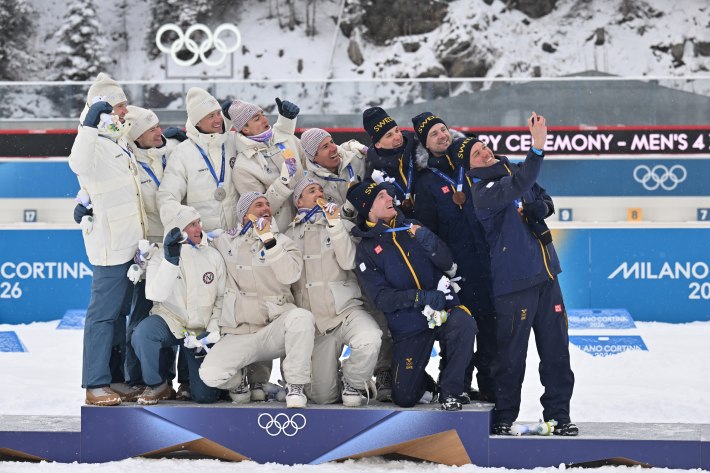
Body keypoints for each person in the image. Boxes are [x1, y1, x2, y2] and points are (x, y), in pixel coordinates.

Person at [460, 112, 577, 436]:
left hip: (547, 277)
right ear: (470, 167)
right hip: (513, 286)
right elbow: (521, 185)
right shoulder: (482, 191)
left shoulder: (513, 172)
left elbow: (541, 196)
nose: (484, 152)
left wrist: (542, 208)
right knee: (511, 359)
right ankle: (504, 416)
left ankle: (559, 416)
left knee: (556, 355)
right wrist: (537, 147)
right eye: (476, 153)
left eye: (484, 147)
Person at [347, 179, 477, 411]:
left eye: (389, 194)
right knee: (405, 396)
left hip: (443, 311)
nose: (390, 199)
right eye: (381, 197)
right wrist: (420, 297)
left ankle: (452, 391)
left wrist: (428, 241)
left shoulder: (413, 226)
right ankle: (426, 384)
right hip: (409, 326)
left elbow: (447, 262)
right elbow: (382, 298)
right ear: (368, 208)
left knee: (464, 323)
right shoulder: (366, 249)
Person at [68, 72, 147, 406]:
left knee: (118, 317)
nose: (125, 111)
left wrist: (81, 198)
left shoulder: (116, 139)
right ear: (100, 110)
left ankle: (114, 380)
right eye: (119, 105)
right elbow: (79, 165)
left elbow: (99, 185)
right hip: (110, 244)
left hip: (131, 242)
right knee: (102, 316)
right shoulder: (90, 141)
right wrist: (87, 125)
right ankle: (94, 383)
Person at [199, 192, 316, 408]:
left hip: (273, 331)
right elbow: (195, 243)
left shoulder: (284, 242)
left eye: (267, 205)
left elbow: (289, 275)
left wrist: (269, 241)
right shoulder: (226, 241)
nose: (265, 209)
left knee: (302, 318)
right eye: (258, 205)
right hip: (239, 333)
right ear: (244, 215)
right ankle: (239, 384)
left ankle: (295, 385)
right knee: (209, 374)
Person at [412, 111, 497, 403]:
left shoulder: (470, 160)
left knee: (491, 329)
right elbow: (429, 233)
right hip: (458, 269)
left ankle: (488, 388)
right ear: (425, 143)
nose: (441, 136)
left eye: (443, 129)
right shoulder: (425, 182)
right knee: (461, 330)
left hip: (490, 262)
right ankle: (456, 384)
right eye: (433, 134)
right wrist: (444, 269)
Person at [285, 178, 382, 406]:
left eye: (320, 189)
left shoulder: (343, 226)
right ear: (299, 202)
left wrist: (335, 225)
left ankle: (354, 380)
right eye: (311, 190)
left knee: (370, 339)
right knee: (322, 397)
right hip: (318, 326)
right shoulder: (287, 237)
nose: (319, 192)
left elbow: (349, 261)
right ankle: (335, 377)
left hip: (347, 311)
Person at [123, 106, 188, 400]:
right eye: (151, 130)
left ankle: (169, 381)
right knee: (141, 317)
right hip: (148, 250)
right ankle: (138, 379)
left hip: (177, 245)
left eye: (159, 126)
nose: (159, 132)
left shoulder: (169, 156)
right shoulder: (131, 165)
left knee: (176, 314)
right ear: (137, 136)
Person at [132, 206, 226, 404]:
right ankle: (157, 385)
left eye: (198, 222)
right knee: (143, 333)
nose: (198, 228)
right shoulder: (159, 256)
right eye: (191, 224)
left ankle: (189, 383)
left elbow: (221, 299)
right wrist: (171, 261)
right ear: (179, 230)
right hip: (171, 323)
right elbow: (154, 293)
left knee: (205, 397)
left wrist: (211, 330)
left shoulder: (214, 256)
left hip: (200, 332)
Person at [157, 87, 239, 233]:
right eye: (211, 116)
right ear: (198, 122)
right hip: (205, 240)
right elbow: (167, 197)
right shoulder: (183, 153)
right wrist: (186, 227)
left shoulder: (234, 142)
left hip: (240, 234)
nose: (218, 119)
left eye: (218, 113)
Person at [226, 98, 304, 232]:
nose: (264, 120)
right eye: (257, 119)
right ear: (245, 129)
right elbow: (257, 210)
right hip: (279, 233)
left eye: (263, 114)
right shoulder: (242, 166)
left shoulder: (287, 139)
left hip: (308, 226)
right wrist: (283, 181)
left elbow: (314, 164)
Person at [361, 107, 419, 218]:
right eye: (389, 135)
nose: (397, 137)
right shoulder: (373, 173)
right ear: (378, 144)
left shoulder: (419, 147)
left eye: (397, 130)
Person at [299, 128, 367, 220]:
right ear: (314, 157)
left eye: (332, 142)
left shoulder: (357, 157)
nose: (333, 148)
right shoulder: (312, 186)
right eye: (325, 147)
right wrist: (346, 210)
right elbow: (324, 222)